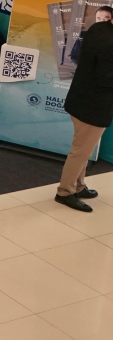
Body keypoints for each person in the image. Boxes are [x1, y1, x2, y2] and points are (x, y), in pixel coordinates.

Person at [55, 16, 113, 212]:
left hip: (81, 99)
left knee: (84, 147)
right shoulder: (109, 42)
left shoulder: (99, 28)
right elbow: (105, 77)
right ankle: (65, 192)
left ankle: (78, 186)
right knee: (81, 151)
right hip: (93, 105)